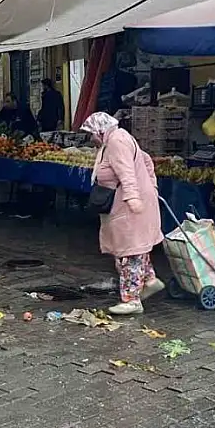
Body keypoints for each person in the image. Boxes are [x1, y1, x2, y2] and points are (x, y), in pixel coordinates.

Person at [81, 112, 164, 315]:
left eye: (91, 133)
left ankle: (131, 300)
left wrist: (133, 197)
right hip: (131, 202)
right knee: (137, 247)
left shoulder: (117, 142)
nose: (91, 138)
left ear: (100, 131)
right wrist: (151, 185)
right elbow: (146, 161)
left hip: (129, 205)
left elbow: (126, 172)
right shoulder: (118, 138)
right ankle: (149, 280)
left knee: (130, 252)